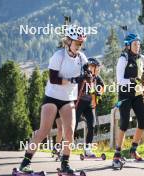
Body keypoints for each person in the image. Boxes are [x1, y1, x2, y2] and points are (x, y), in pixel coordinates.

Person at [18, 24, 88, 174]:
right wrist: (74, 80)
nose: (79, 46)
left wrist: (88, 76)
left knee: (69, 131)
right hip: (52, 96)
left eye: (81, 43)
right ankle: (25, 162)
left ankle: (65, 163)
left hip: (68, 98)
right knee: (44, 131)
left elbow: (87, 73)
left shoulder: (82, 58)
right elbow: (54, 79)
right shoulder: (58, 56)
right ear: (68, 41)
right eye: (77, 43)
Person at [112, 33, 144, 167]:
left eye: (139, 44)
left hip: (138, 94)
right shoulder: (123, 59)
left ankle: (133, 150)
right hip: (125, 94)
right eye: (135, 44)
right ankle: (117, 153)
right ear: (128, 46)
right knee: (124, 123)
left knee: (143, 121)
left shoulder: (142, 58)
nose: (138, 46)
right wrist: (133, 80)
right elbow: (120, 81)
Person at [74, 57, 104, 157]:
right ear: (91, 67)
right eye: (96, 67)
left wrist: (99, 92)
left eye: (98, 68)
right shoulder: (83, 75)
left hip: (90, 104)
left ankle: (87, 149)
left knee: (92, 126)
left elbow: (102, 85)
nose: (98, 70)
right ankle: (64, 148)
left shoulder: (96, 77)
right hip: (78, 102)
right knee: (72, 126)